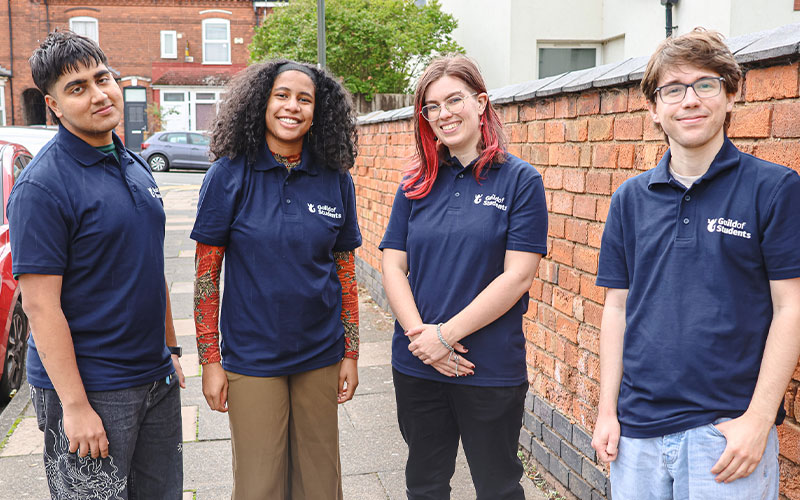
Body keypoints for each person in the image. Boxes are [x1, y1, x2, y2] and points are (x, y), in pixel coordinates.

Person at [591, 28, 800, 499]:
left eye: (705, 85)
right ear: (654, 108)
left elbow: (792, 308)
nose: (689, 101)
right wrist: (608, 411)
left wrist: (758, 421)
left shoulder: (774, 189)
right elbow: (617, 308)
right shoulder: (629, 199)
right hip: (636, 431)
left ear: (730, 95)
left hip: (724, 434)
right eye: (673, 90)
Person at [8, 30, 185, 499]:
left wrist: (171, 349)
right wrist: (76, 406)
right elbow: (40, 308)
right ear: (54, 106)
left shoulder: (133, 163)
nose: (98, 93)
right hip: (94, 390)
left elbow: (150, 262)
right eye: (77, 88)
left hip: (155, 377)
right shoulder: (42, 187)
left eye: (100, 78)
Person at [191, 59, 361, 500]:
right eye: (282, 95)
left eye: (305, 99)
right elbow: (206, 277)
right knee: (260, 486)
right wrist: (210, 361)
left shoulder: (336, 178)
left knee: (321, 486)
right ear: (261, 103)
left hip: (321, 353)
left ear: (318, 111)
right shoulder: (228, 175)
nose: (292, 107)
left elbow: (345, 272)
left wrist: (352, 352)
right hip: (253, 356)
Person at [380, 54, 548, 500]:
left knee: (498, 488)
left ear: (480, 102)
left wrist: (445, 336)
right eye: (431, 106)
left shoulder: (520, 181)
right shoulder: (415, 182)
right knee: (425, 484)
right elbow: (393, 266)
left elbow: (517, 278)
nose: (443, 113)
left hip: (488, 366)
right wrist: (425, 340)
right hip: (417, 362)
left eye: (453, 100)